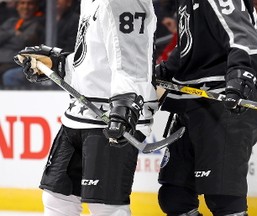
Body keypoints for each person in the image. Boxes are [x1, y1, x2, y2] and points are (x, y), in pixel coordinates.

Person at [14, 0, 158, 215]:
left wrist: (124, 106)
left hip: (109, 115)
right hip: (79, 114)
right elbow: (93, 60)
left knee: (105, 206)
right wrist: (59, 64)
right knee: (57, 198)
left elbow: (132, 61)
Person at [155, 1, 257, 216]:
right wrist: (165, 71)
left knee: (223, 199)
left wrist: (239, 77)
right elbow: (190, 45)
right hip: (192, 102)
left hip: (223, 100)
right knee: (174, 196)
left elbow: (242, 34)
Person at [3, 0, 79, 89]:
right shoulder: (43, 20)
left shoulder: (75, 21)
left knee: (10, 76)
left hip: (60, 65)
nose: (56, 2)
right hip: (38, 62)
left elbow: (71, 48)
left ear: (69, 2)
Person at [0, 0, 44, 87]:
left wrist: (6, 37)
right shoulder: (11, 22)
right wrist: (13, 32)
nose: (25, 7)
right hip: (3, 61)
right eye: (22, 3)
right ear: (17, 6)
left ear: (36, 7)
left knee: (9, 76)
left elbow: (23, 42)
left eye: (30, 4)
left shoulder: (38, 24)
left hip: (19, 64)